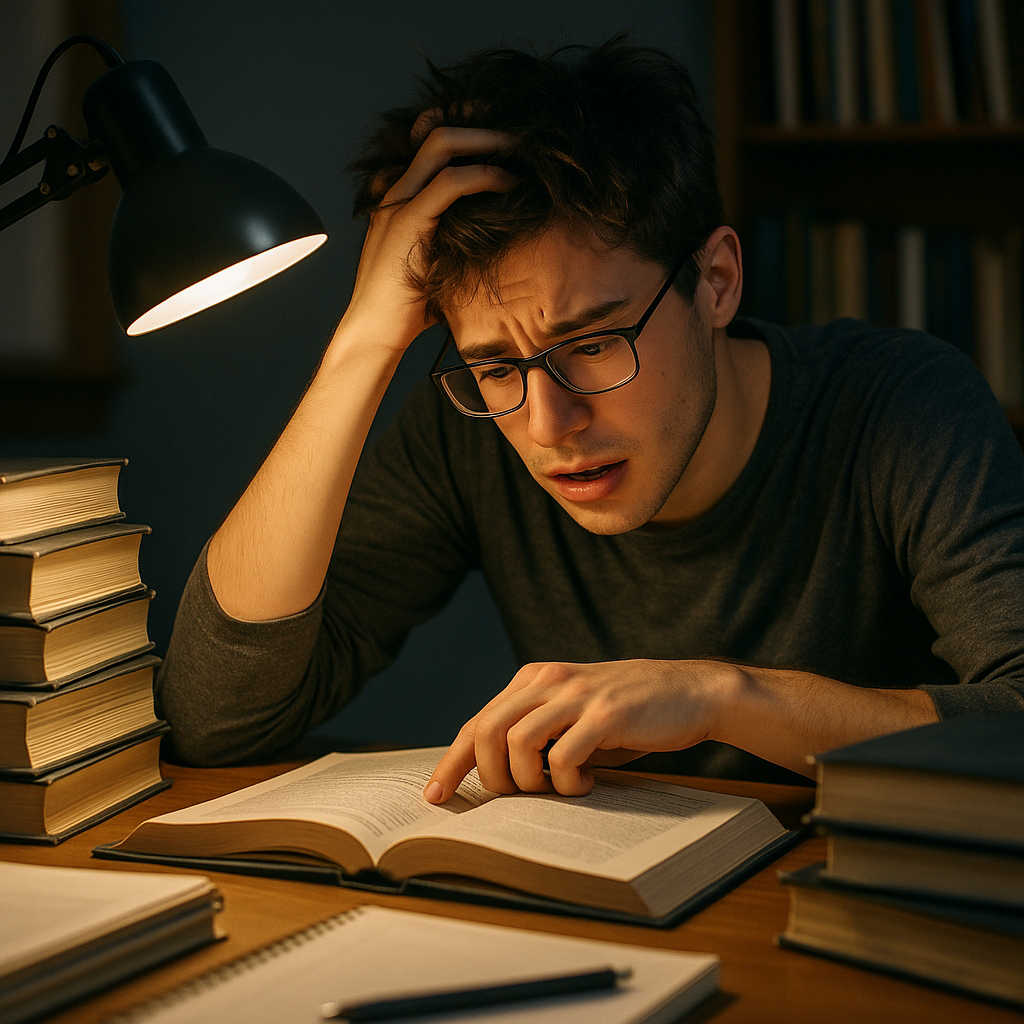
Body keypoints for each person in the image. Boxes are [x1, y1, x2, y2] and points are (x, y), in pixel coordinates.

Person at [157, 36, 1024, 802]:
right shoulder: (468, 433)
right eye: (496, 365)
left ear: (716, 281)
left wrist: (725, 698)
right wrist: (364, 346)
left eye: (597, 343)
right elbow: (213, 720)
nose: (548, 423)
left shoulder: (903, 406)